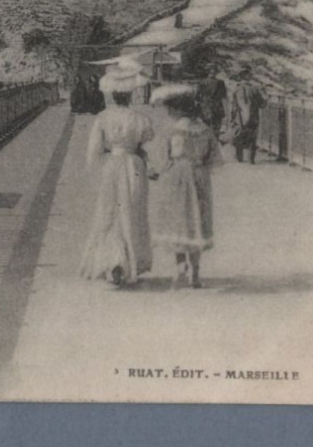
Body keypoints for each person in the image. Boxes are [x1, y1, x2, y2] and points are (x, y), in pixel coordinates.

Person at [80, 57, 153, 287]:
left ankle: (112, 261)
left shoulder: (103, 118)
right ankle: (127, 261)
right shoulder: (139, 119)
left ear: (112, 95)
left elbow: (94, 151)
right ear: (130, 95)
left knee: (110, 212)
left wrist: (101, 163)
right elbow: (145, 141)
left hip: (113, 165)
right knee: (131, 212)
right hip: (133, 166)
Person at [149, 85, 221, 289]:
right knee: (197, 220)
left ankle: (181, 268)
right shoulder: (205, 129)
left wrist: (158, 171)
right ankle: (196, 273)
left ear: (177, 110)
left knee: (179, 220)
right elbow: (214, 159)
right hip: (199, 176)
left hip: (177, 175)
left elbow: (162, 159)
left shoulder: (171, 130)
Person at [229, 66, 266, 164]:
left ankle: (239, 157)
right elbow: (262, 104)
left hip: (239, 118)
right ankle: (251, 159)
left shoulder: (236, 89)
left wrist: (231, 117)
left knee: (239, 136)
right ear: (248, 77)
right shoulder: (255, 89)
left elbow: (233, 105)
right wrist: (265, 95)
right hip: (253, 117)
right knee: (252, 138)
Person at [197, 63, 228, 141]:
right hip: (217, 106)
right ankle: (215, 141)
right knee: (216, 126)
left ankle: (207, 141)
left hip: (205, 107)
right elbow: (224, 96)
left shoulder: (202, 82)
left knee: (206, 125)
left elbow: (197, 97)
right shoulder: (220, 82)